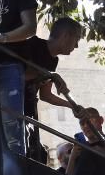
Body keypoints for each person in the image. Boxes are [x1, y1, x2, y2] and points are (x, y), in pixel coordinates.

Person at [24, 17, 85, 161]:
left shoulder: (53, 60)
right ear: (66, 36)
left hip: (29, 109)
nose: (76, 46)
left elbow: (46, 95)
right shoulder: (33, 45)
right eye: (76, 40)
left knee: (38, 154)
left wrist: (71, 106)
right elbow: (20, 74)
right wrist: (51, 75)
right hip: (13, 104)